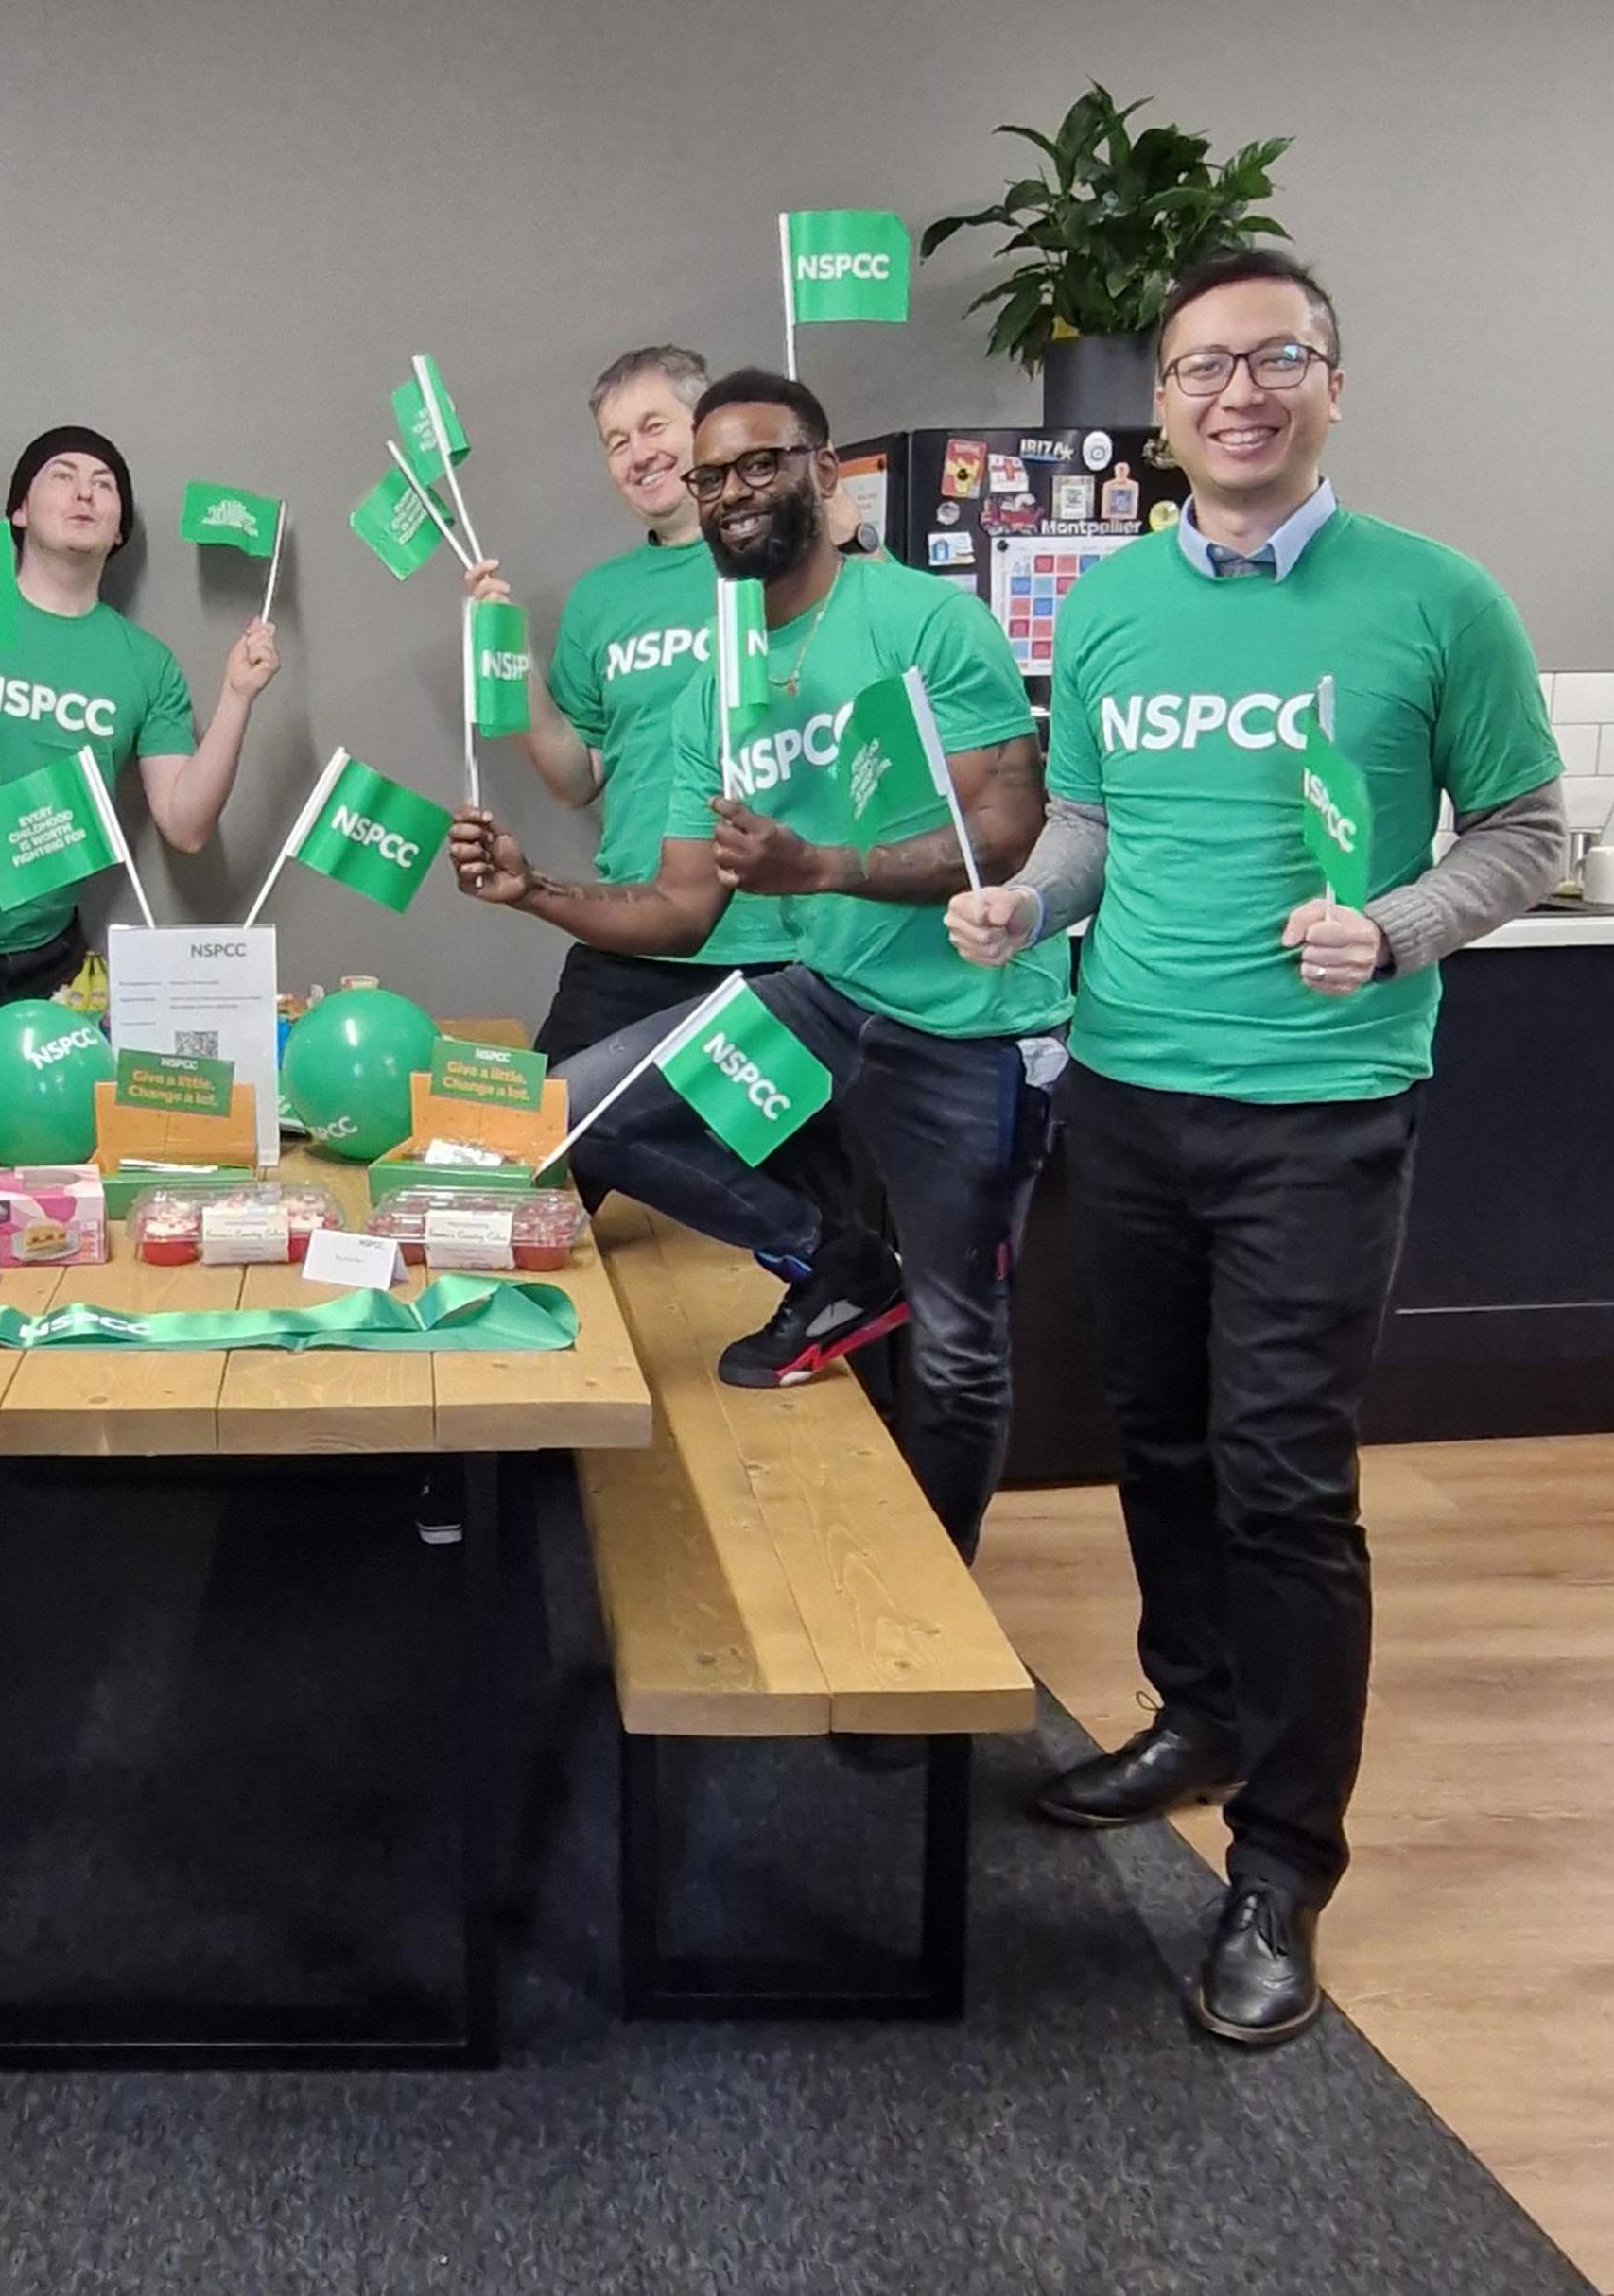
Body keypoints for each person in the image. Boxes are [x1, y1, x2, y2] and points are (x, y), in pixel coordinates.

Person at [946, 248, 1565, 2046]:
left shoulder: (1438, 599)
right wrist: (1026, 905)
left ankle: (1284, 1861)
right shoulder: (1114, 605)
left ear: (1331, 386)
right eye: (1205, 365)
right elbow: (1091, 817)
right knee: (1156, 1435)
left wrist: (1398, 924)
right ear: (1161, 405)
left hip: (1321, 1108)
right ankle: (1199, 1711)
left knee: (1284, 1479)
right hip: (1128, 1090)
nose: (1240, 391)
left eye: (1277, 358)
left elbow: (1528, 827)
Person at [448, 369, 1064, 1563]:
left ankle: (938, 1597)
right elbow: (684, 907)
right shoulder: (714, 694)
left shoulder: (924, 622)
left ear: (822, 472)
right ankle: (841, 1260)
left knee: (957, 1346)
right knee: (574, 1110)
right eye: (712, 475)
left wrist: (822, 865)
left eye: (761, 463)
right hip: (826, 998)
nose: (732, 491)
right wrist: (534, 891)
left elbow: (1009, 830)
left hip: (971, 1024)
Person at [461, 346, 796, 1066]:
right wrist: (509, 658)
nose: (638, 455)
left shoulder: (780, 566)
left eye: (653, 426)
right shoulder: (600, 598)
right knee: (552, 1118)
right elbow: (575, 777)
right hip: (634, 927)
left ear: (706, 427)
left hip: (774, 941)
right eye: (616, 441)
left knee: (765, 1138)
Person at [0, 424, 279, 1042]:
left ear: (119, 529)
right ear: (19, 510)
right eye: (62, 476)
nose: (84, 493)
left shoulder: (146, 663)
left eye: (104, 485)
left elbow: (185, 824)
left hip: (47, 964)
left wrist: (237, 697)